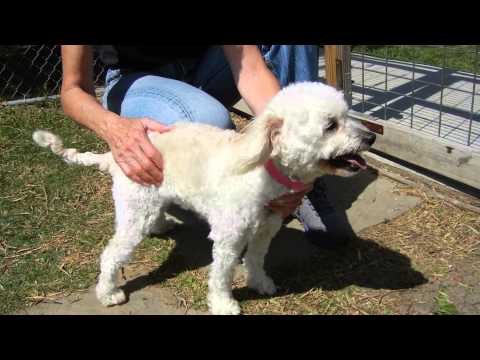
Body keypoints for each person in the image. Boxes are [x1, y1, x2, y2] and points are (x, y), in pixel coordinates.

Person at [60, 45, 352, 248]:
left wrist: (293, 158)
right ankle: (247, 195)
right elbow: (72, 90)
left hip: (206, 67)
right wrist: (114, 128)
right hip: (135, 80)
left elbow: (250, 68)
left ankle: (303, 171)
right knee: (210, 120)